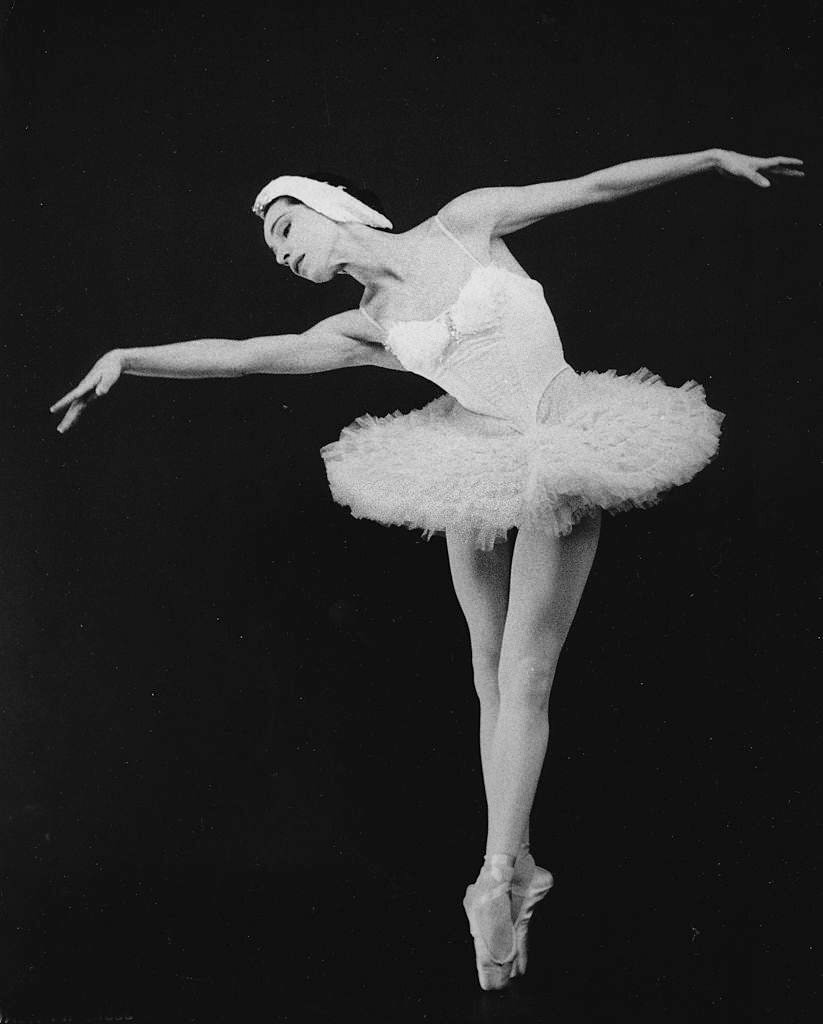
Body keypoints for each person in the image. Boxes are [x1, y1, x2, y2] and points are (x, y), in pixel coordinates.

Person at [50, 149, 804, 991]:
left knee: (520, 671)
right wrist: (129, 355)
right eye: (273, 248)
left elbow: (589, 188)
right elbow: (247, 353)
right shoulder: (361, 326)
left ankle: (501, 876)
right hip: (469, 465)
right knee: (497, 672)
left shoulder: (466, 220)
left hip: (562, 445)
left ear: (334, 207)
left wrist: (705, 159)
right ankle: (502, 874)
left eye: (286, 228)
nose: (281, 252)